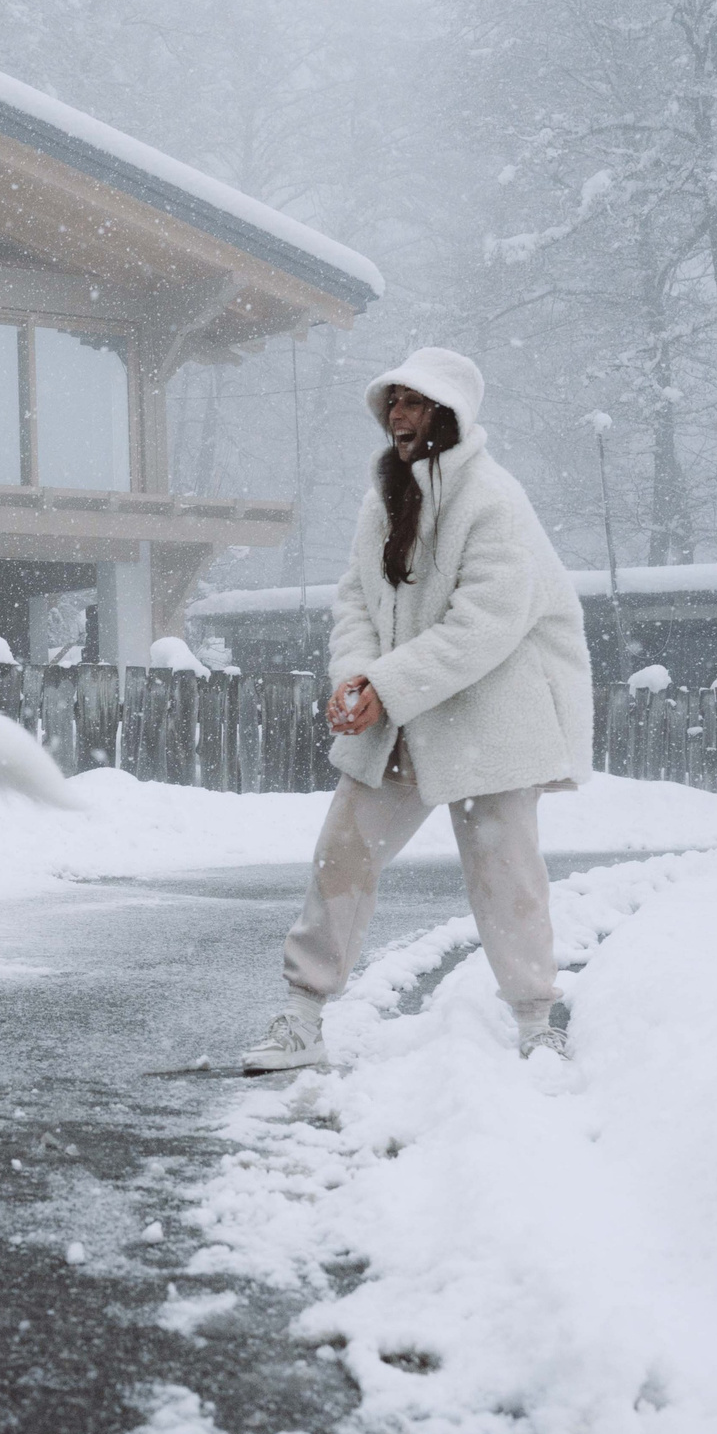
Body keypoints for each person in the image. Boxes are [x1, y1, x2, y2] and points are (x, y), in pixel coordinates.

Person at [242, 347, 595, 1072]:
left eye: (413, 402)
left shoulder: (495, 501)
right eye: (392, 402)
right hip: (401, 713)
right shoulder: (385, 500)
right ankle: (302, 1018)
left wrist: (386, 686)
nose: (397, 416)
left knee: (505, 868)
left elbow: (487, 622)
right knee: (342, 851)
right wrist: (353, 678)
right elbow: (357, 600)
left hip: (492, 716)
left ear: (449, 415)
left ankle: (535, 1021)